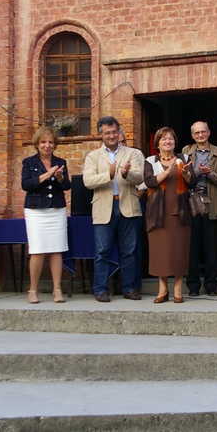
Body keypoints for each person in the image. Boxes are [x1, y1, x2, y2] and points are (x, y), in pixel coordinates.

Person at [82, 116, 145, 302]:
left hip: (127, 205)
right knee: (102, 251)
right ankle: (100, 290)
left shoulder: (131, 153)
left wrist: (126, 173)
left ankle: (129, 288)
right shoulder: (93, 156)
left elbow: (139, 178)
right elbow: (88, 181)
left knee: (129, 251)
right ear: (100, 135)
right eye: (107, 133)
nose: (111, 135)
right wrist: (108, 175)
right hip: (104, 207)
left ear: (119, 132)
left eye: (114, 131)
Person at [142, 127, 196, 303]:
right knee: (160, 252)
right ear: (157, 143)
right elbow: (149, 181)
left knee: (179, 251)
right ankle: (162, 288)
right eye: (164, 139)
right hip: (157, 213)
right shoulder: (150, 161)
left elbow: (193, 182)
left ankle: (178, 287)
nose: (168, 142)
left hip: (179, 211)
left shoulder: (184, 159)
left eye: (171, 139)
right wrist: (167, 171)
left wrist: (187, 173)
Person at [21, 126, 71, 304]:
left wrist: (58, 178)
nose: (47, 145)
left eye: (50, 142)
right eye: (43, 142)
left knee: (57, 249)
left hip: (56, 209)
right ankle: (33, 290)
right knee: (38, 250)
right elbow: (26, 185)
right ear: (37, 144)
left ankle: (57, 290)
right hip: (36, 211)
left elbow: (67, 186)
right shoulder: (29, 162)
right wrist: (47, 174)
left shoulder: (61, 161)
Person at [182, 121, 217, 297]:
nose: (200, 135)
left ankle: (211, 285)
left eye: (203, 132)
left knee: (211, 245)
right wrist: (198, 173)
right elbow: (182, 178)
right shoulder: (186, 152)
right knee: (192, 245)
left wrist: (210, 174)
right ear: (193, 136)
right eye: (197, 133)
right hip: (191, 200)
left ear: (209, 133)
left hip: (211, 199)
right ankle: (193, 286)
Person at [120, 129, 146, 293]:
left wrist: (133, 200)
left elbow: (143, 184)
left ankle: (134, 285)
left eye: (123, 141)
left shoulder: (136, 154)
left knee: (133, 246)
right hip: (113, 205)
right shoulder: (104, 155)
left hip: (134, 203)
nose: (121, 144)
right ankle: (117, 283)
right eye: (118, 141)